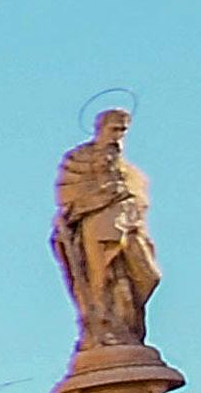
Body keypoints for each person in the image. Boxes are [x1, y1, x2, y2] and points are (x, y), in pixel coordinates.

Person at [52, 109, 165, 355]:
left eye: (123, 131)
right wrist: (105, 195)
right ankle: (105, 330)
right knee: (102, 279)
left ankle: (129, 330)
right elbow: (67, 196)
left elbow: (139, 198)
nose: (118, 136)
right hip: (97, 227)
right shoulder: (77, 159)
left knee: (148, 275)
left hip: (129, 227)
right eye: (114, 129)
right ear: (100, 129)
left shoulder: (129, 170)